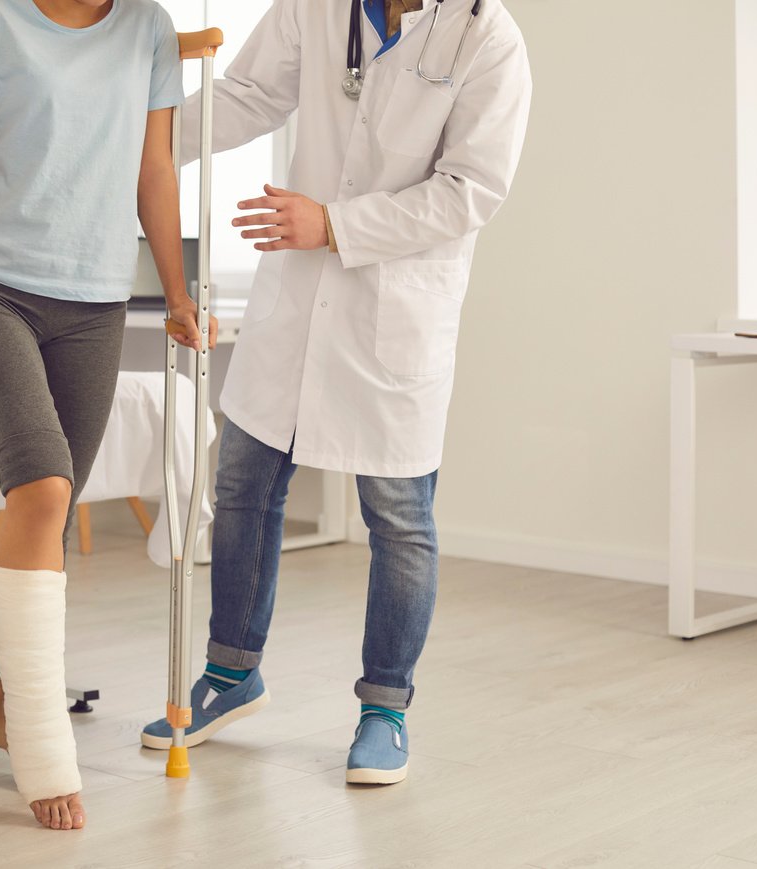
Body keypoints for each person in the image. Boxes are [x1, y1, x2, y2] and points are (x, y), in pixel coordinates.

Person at [141, 0, 532, 785]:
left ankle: (385, 706)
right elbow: (247, 95)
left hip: (395, 302)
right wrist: (142, 142)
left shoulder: (488, 37)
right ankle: (230, 673)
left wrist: (336, 223)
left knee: (399, 516)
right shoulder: (316, 8)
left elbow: (469, 191)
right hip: (297, 302)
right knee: (245, 482)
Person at [0, 0, 212, 830]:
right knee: (41, 486)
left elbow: (155, 170)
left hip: (98, 299)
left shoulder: (147, 27)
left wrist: (177, 293)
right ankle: (42, 749)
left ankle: (11, 705)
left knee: (58, 498)